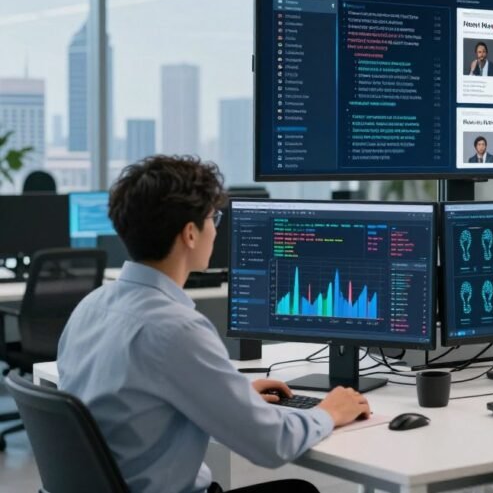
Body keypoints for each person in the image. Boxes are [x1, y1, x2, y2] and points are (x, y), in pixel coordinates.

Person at [57, 156, 371, 493]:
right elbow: (272, 444)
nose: (216, 228)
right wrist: (329, 412)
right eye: (213, 218)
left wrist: (231, 399)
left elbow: (136, 404)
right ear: (190, 234)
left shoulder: (90, 307)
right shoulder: (175, 328)